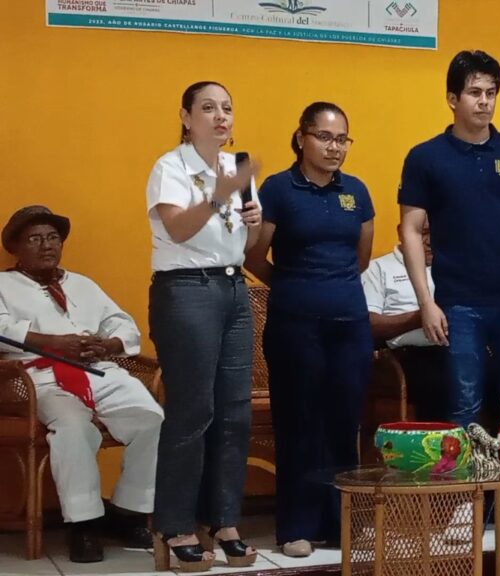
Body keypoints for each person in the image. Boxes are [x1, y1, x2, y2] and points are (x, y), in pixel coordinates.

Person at [397, 50, 500, 448]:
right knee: (463, 403)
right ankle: (466, 485)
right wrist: (426, 302)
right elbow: (412, 231)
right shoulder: (425, 157)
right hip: (458, 298)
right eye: (474, 92)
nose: (484, 101)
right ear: (452, 99)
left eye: (491, 92)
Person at [245, 101, 374, 558]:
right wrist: (293, 284)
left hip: (350, 324)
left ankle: (342, 522)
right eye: (324, 137)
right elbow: (254, 255)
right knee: (299, 423)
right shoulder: (279, 189)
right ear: (302, 138)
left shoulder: (356, 192)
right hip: (295, 324)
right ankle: (296, 526)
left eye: (342, 139)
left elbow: (360, 258)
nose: (334, 147)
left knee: (343, 422)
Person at [0, 206, 163, 563]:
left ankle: (128, 512)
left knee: (151, 417)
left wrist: (107, 345)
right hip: (37, 378)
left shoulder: (82, 284)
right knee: (73, 427)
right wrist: (53, 343)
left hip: (96, 370)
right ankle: (84, 523)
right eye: (35, 239)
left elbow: (122, 324)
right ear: (16, 248)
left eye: (53, 238)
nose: (47, 245)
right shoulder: (4, 285)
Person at [146, 81, 261, 572]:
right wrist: (221, 194)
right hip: (186, 289)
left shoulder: (236, 167)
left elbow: (244, 244)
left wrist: (252, 220)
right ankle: (173, 524)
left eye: (227, 108)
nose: (221, 117)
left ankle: (224, 520)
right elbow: (178, 228)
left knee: (235, 412)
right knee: (192, 411)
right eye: (209, 108)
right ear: (186, 117)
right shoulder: (170, 167)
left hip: (234, 288)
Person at [361, 220, 449, 422]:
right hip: (404, 354)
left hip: (454, 347)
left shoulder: (450, 268)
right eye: (424, 232)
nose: (430, 241)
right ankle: (435, 441)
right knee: (438, 379)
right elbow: (368, 325)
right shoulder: (378, 268)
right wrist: (420, 317)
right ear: (402, 232)